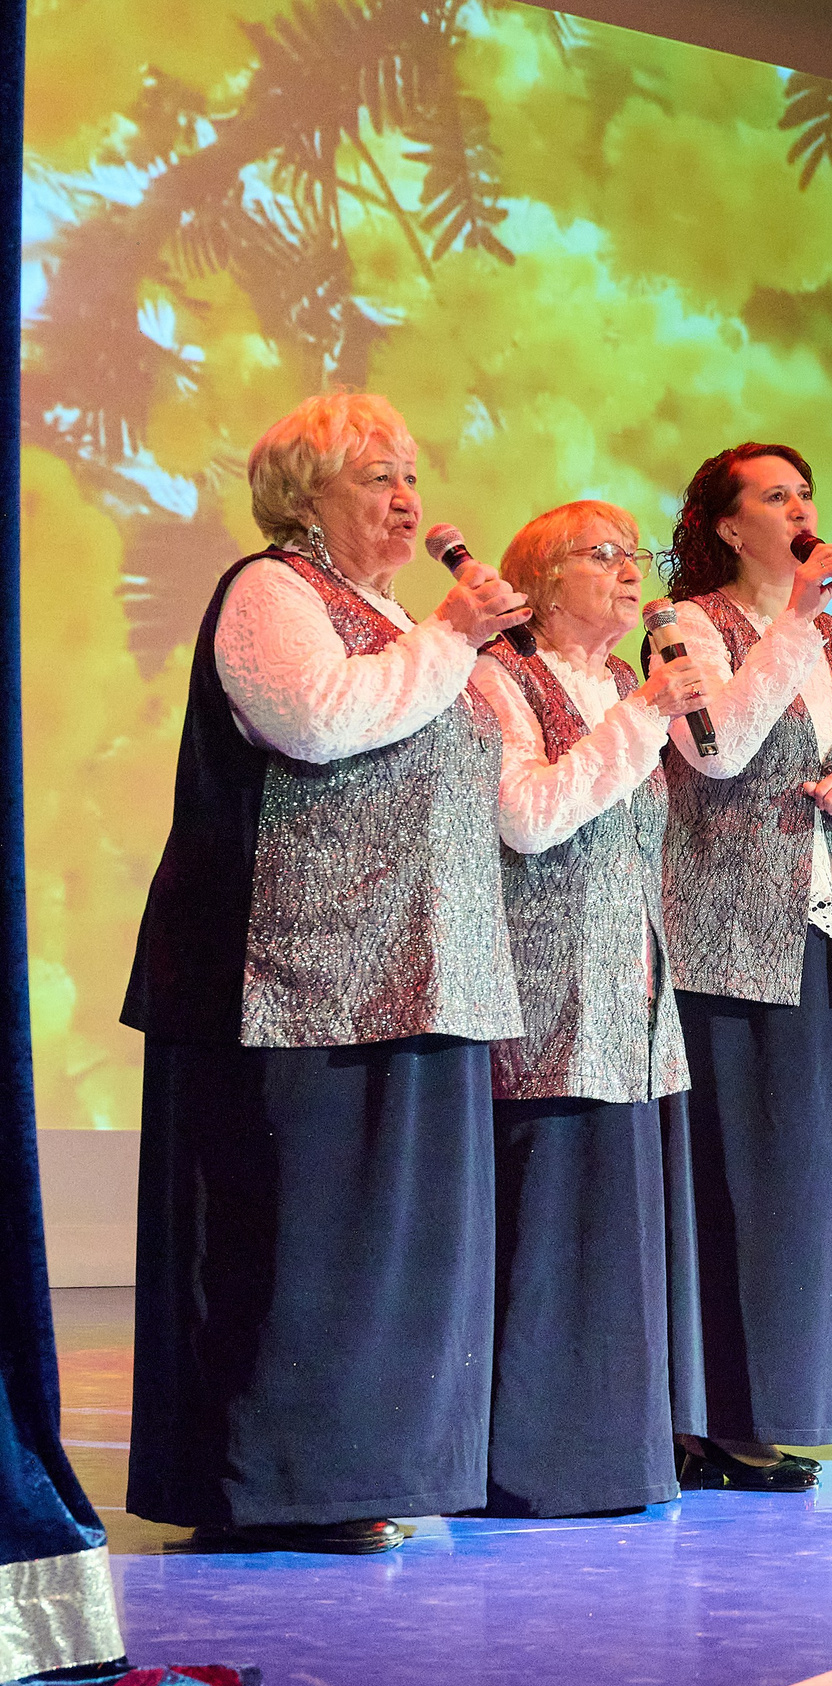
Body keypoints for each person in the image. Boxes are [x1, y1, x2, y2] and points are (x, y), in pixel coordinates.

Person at [121, 392, 529, 1553]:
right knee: (301, 1240)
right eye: (378, 479)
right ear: (307, 496)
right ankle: (287, 1485)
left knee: (392, 1246)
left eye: (413, 474)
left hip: (414, 969)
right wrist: (450, 637)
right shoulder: (272, 591)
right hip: (289, 979)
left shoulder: (390, 612)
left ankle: (374, 1470)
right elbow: (314, 720)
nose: (411, 499)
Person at [658, 442, 832, 1487]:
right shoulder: (685, 626)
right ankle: (703, 1415)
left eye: (807, 491)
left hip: (816, 924)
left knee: (799, 1182)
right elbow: (715, 744)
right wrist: (796, 618)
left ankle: (769, 1402)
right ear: (726, 524)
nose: (800, 508)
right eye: (776, 496)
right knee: (726, 1176)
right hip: (719, 928)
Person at [471, 501, 712, 1515]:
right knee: (549, 1225)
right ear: (540, 577)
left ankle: (615, 1453)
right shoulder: (497, 677)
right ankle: (530, 1466)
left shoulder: (622, 683)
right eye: (603, 554)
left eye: (638, 555)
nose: (630, 572)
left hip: (629, 996)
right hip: (541, 993)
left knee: (619, 1231)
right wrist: (647, 715)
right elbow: (527, 816)